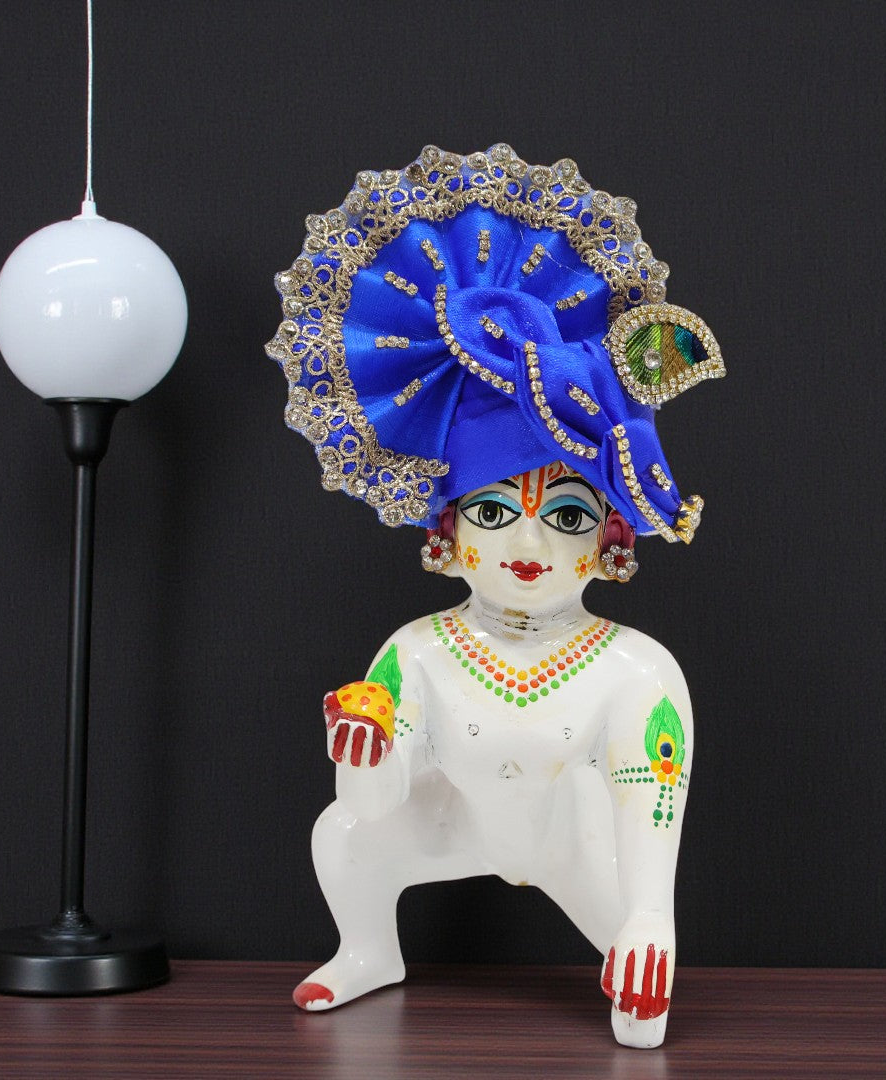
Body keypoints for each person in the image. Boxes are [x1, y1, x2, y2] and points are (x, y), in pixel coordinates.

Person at [266, 145, 725, 1048]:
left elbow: (649, 803)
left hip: (572, 841)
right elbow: (373, 806)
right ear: (447, 533)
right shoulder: (417, 652)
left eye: (566, 515)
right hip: (454, 825)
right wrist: (363, 752)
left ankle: (630, 949)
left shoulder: (636, 671)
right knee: (340, 834)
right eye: (491, 511)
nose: (526, 546)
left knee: (642, 1025)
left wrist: (648, 921)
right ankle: (369, 951)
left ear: (610, 539)